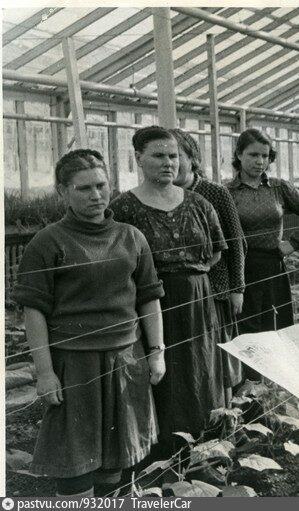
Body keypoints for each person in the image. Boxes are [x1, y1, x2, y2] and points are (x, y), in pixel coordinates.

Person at [14, 150, 165, 497]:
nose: (96, 195)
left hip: (126, 359)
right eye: (83, 188)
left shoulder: (131, 237)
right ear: (62, 192)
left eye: (101, 185)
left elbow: (148, 297)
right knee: (75, 458)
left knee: (118, 456)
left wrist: (156, 351)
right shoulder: (48, 242)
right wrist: (45, 372)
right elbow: (33, 311)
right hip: (74, 364)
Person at [109, 126, 227, 452]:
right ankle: (162, 456)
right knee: (159, 375)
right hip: (150, 304)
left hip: (198, 301)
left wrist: (192, 278)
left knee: (200, 372)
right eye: (158, 156)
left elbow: (216, 251)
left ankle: (203, 448)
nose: (168, 163)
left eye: (173, 156)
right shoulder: (122, 209)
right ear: (138, 159)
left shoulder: (200, 204)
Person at [227, 128, 299, 379]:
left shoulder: (279, 188)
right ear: (238, 155)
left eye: (265, 155)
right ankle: (248, 387)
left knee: (274, 325)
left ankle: (274, 383)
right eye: (252, 155)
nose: (260, 161)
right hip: (239, 269)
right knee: (245, 331)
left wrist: (293, 244)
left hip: (272, 266)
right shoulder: (227, 192)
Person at [169, 128, 247, 402]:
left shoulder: (214, 193)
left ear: (192, 158)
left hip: (216, 290)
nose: (171, 163)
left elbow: (237, 242)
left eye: (177, 155)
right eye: (164, 156)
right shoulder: (159, 196)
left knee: (217, 356)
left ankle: (225, 414)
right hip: (178, 296)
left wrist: (237, 287)